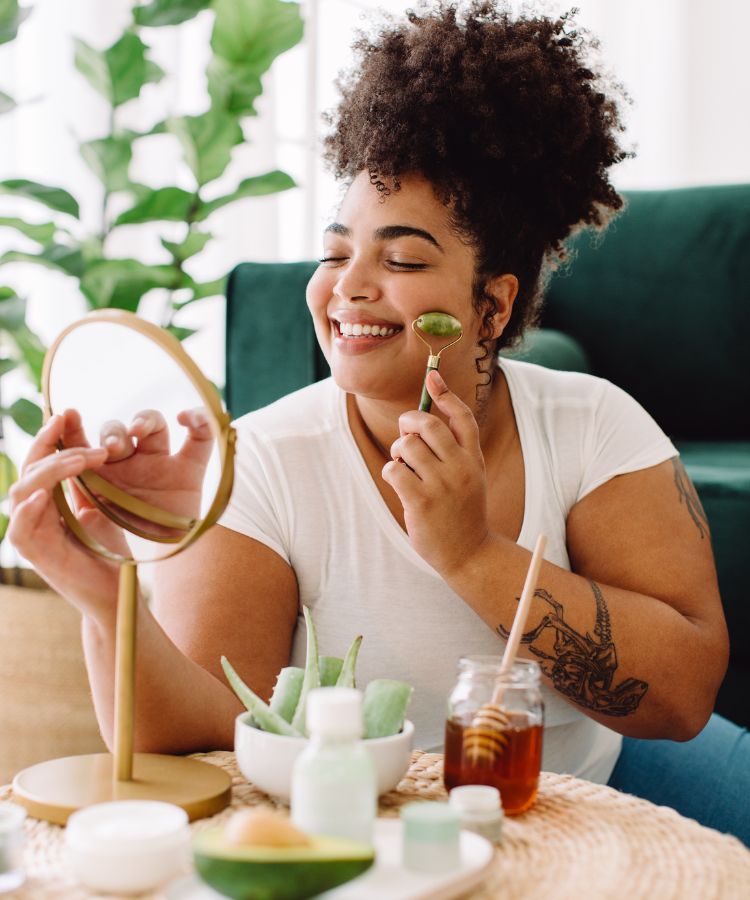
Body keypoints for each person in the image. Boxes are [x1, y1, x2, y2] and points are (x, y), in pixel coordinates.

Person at [8, 1, 748, 844]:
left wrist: (471, 554)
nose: (348, 285)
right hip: (370, 823)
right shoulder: (269, 461)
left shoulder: (595, 425)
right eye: (334, 253)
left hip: (591, 784)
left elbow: (684, 695)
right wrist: (110, 601)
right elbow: (197, 736)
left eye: (400, 259)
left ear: (492, 304)